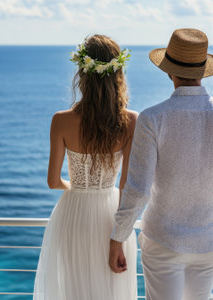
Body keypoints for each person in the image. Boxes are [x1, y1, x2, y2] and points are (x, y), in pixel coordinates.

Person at [109, 28, 213, 300]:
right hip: (208, 242)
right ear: (203, 71)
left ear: (169, 72)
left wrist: (118, 237)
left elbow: (139, 190)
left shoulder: (153, 118)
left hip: (162, 240)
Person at [33, 34, 138, 300]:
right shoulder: (131, 121)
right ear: (118, 73)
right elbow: (127, 185)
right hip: (112, 218)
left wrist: (75, 188)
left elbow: (53, 181)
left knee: (74, 289)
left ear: (82, 73)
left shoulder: (61, 120)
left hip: (73, 215)